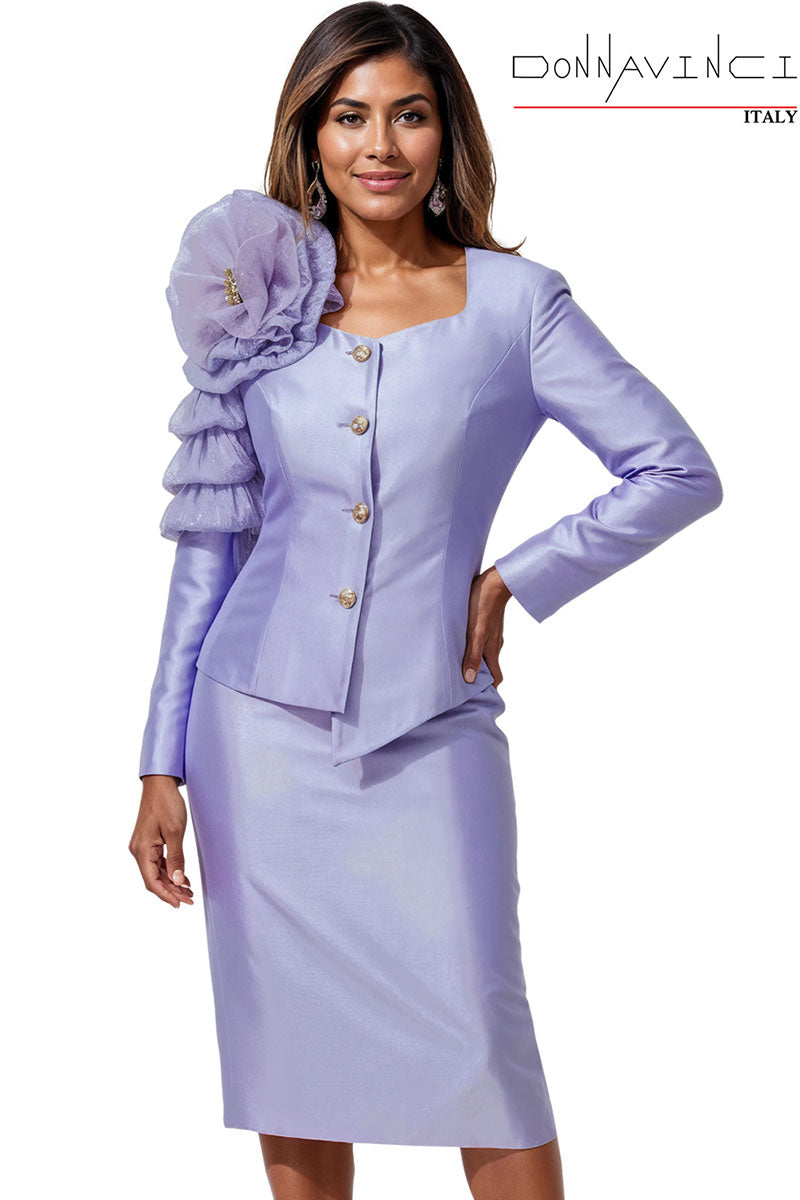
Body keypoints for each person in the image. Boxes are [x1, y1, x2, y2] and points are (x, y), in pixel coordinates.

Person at [129, 5, 723, 1199]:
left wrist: (510, 579)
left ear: (446, 132)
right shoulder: (256, 303)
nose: (378, 145)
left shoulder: (515, 305)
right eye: (349, 117)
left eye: (407, 114)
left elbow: (674, 469)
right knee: (293, 1077)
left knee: (483, 1056)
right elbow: (212, 546)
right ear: (310, 134)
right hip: (257, 742)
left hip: (432, 729)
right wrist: (160, 762)